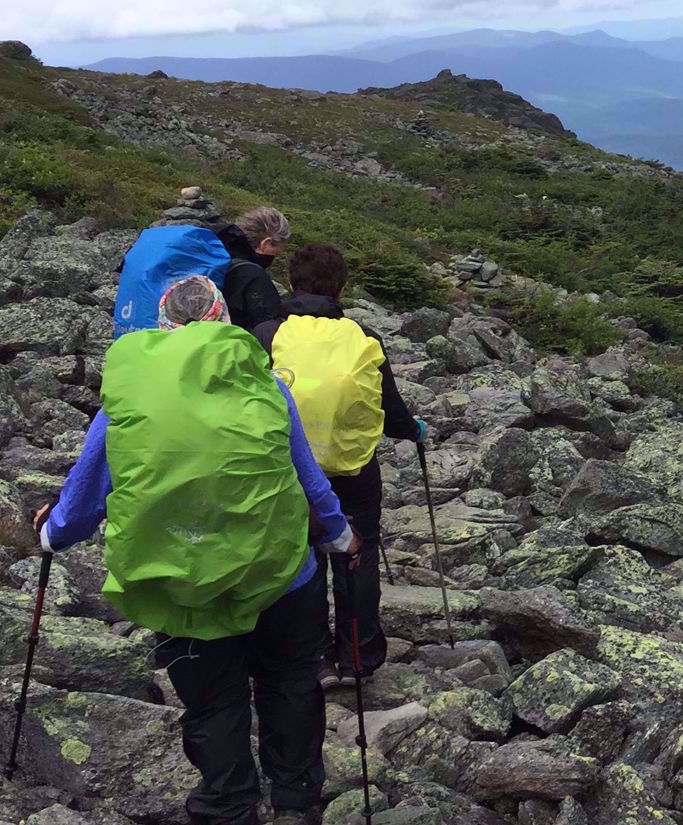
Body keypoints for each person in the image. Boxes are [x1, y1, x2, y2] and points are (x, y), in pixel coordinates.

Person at [35, 276, 356, 825]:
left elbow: (89, 487)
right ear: (223, 320)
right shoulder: (264, 384)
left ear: (163, 324)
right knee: (288, 682)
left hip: (179, 580)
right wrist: (340, 535)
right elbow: (305, 477)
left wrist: (53, 534)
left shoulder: (132, 394)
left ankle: (230, 806)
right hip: (280, 573)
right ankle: (296, 799)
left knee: (214, 701)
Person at [253, 244, 424, 688]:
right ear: (342, 287)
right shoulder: (363, 337)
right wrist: (416, 432)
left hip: (288, 470)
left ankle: (309, 656)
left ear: (291, 282)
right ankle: (357, 655)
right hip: (352, 469)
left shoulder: (266, 333)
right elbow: (389, 412)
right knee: (356, 555)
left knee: (298, 555)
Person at [208, 207, 290, 332]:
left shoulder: (215, 257)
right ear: (266, 243)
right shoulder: (253, 275)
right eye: (276, 253)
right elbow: (269, 330)